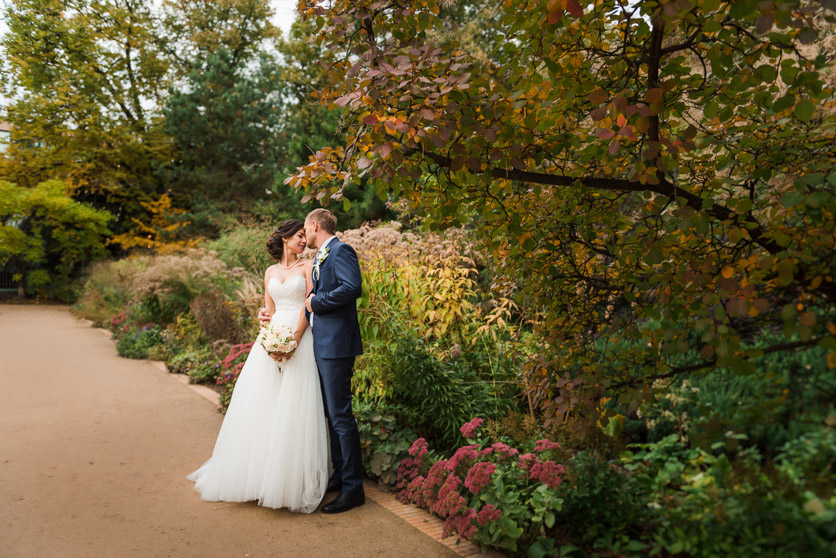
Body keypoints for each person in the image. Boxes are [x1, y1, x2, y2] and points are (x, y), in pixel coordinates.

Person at [187, 220, 329, 514]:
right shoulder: (270, 272)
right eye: (299, 236)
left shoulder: (308, 268)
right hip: (272, 338)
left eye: (305, 235)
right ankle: (257, 474)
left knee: (293, 403)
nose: (304, 240)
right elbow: (270, 310)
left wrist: (295, 338)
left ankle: (288, 478)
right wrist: (265, 322)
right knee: (263, 404)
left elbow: (309, 304)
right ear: (286, 239)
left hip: (299, 338)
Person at [259, 208, 365, 514]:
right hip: (322, 344)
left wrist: (316, 302)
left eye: (306, 230)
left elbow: (351, 287)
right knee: (332, 415)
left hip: (336, 345)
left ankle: (353, 488)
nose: (304, 237)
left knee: (341, 416)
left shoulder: (341, 250)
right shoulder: (322, 256)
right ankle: (339, 476)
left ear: (314, 225)